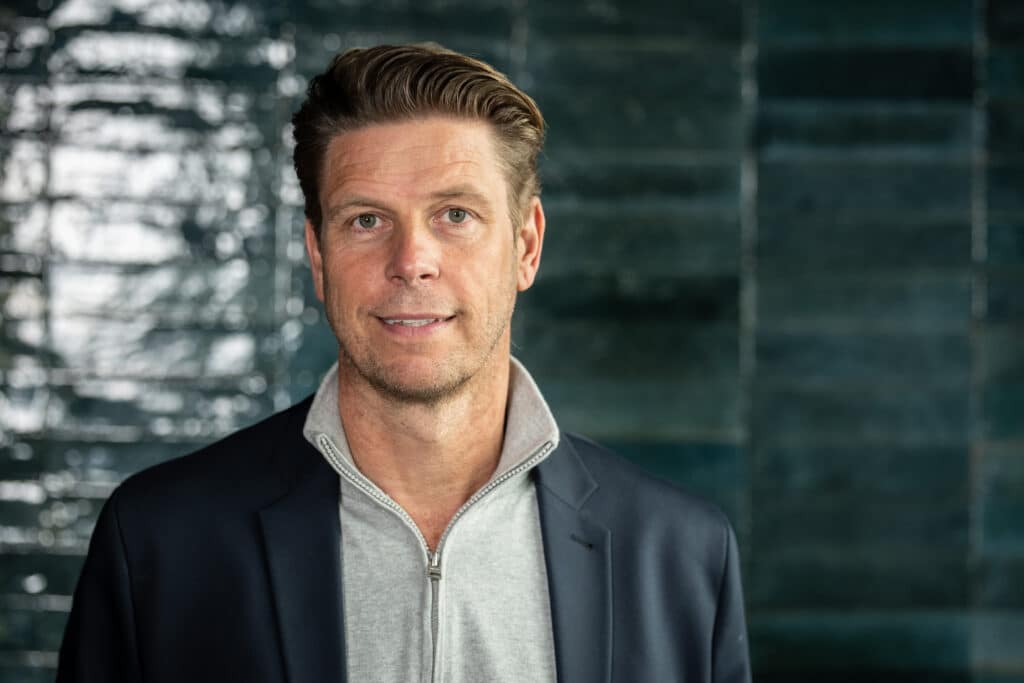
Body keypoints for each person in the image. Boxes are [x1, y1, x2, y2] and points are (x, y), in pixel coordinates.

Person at [57, 43, 751, 683]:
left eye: (456, 215)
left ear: (527, 246)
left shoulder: (684, 555)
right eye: (366, 219)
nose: (412, 261)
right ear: (318, 256)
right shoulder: (158, 543)